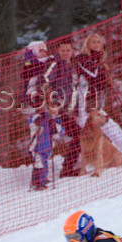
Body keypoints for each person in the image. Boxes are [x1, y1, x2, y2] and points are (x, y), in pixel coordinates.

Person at [77, 33, 122, 159]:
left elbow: (98, 80)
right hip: (84, 103)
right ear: (87, 44)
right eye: (93, 42)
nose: (96, 44)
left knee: (111, 125)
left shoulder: (98, 60)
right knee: (89, 131)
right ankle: (86, 162)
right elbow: (93, 74)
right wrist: (103, 71)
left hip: (96, 102)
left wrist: (106, 80)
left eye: (98, 42)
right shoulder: (82, 58)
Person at [43, 39, 82, 177]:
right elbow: (46, 82)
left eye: (68, 50)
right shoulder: (55, 64)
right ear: (58, 51)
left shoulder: (73, 66)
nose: (65, 53)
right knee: (78, 135)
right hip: (57, 111)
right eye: (63, 50)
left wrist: (75, 110)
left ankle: (69, 167)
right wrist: (51, 104)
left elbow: (74, 89)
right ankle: (65, 169)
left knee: (79, 135)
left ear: (72, 52)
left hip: (70, 110)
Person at [28, 105, 64, 190]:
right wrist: (37, 120)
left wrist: (54, 124)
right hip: (37, 146)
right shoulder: (36, 117)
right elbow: (32, 126)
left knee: (44, 164)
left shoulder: (53, 120)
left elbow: (58, 135)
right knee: (39, 164)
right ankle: (38, 183)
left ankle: (41, 180)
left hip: (47, 146)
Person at [21, 40, 54, 113]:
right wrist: (23, 101)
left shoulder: (49, 60)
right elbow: (25, 84)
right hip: (34, 94)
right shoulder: (30, 64)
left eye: (45, 51)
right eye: (41, 51)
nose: (44, 53)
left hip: (46, 91)